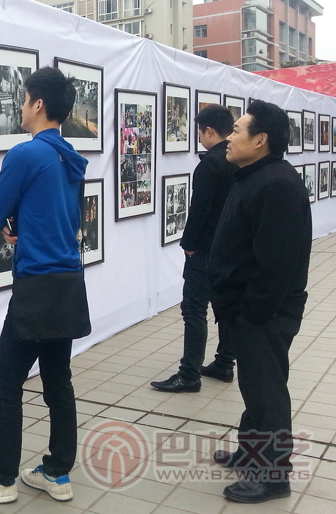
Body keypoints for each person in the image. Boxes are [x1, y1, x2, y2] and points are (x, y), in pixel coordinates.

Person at [0, 67, 87, 506]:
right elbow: (61, 215)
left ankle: (1, 478)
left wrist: (10, 223)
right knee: (57, 381)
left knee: (3, 384)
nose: (21, 107)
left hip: (37, 283)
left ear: (38, 104)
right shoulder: (69, 155)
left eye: (24, 99)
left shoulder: (25, 154)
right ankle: (57, 473)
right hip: (69, 280)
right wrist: (23, 225)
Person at [209, 100, 311, 503]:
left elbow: (277, 264)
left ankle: (273, 476)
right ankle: (250, 453)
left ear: (260, 140)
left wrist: (252, 312)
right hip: (248, 309)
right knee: (254, 386)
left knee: (267, 392)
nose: (229, 138)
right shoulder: (254, 176)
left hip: (264, 313)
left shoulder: (277, 185)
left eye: (237, 131)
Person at [151, 105, 237, 393]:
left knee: (194, 309)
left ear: (208, 131)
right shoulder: (238, 160)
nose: (199, 138)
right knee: (225, 307)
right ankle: (225, 363)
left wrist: (189, 245)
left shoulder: (210, 164)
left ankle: (189, 375)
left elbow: (200, 210)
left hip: (206, 249)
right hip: (230, 247)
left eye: (199, 133)